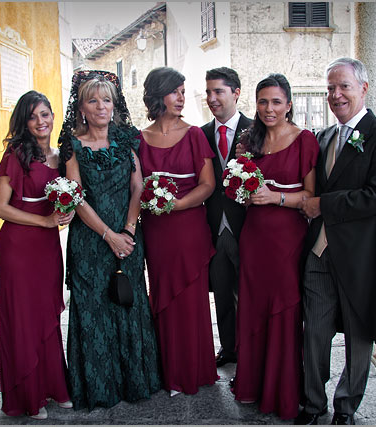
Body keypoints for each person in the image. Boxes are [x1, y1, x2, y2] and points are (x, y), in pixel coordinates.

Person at [297, 58, 376, 425]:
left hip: (360, 256)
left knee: (360, 336)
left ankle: (346, 408)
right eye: (330, 88)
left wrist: (321, 205)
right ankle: (313, 405)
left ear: (364, 88)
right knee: (314, 332)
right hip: (319, 253)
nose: (336, 95)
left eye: (343, 86)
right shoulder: (323, 137)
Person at [58, 70, 161, 410]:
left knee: (128, 305)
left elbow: (138, 186)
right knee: (94, 310)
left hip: (128, 239)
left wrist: (128, 231)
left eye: (106, 100)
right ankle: (98, 389)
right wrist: (108, 235)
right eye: (93, 101)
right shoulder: (73, 146)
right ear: (82, 109)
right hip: (90, 242)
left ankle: (135, 382)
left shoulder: (127, 139)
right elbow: (76, 197)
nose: (101, 106)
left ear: (115, 106)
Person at [232, 74, 319, 419]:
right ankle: (252, 384)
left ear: (289, 105)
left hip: (287, 238)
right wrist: (239, 179)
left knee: (283, 309)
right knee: (252, 308)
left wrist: (276, 197)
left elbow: (311, 197)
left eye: (276, 102)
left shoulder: (305, 140)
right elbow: (239, 191)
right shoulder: (249, 140)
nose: (269, 109)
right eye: (263, 102)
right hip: (253, 237)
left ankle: (280, 391)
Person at [0, 90, 74, 420]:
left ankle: (55, 386)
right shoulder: (15, 155)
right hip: (18, 247)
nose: (41, 122)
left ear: (53, 116)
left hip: (47, 248)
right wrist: (44, 220)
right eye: (33, 116)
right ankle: (30, 395)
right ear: (25, 123)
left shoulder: (60, 155)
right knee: (23, 319)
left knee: (47, 315)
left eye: (45, 114)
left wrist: (63, 214)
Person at [138, 66, 219, 396]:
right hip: (156, 232)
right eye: (175, 91)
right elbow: (134, 186)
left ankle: (194, 371)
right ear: (158, 95)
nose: (182, 98)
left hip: (188, 228)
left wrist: (177, 205)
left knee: (190, 300)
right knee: (162, 296)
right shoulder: (139, 139)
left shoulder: (195, 134)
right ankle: (167, 371)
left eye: (184, 91)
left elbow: (208, 184)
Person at [200, 67, 253, 368]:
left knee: (247, 293)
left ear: (236, 93)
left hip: (246, 226)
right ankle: (229, 348)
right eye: (208, 92)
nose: (211, 98)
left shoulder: (256, 130)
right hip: (214, 225)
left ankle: (249, 351)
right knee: (221, 291)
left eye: (218, 91)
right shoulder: (202, 134)